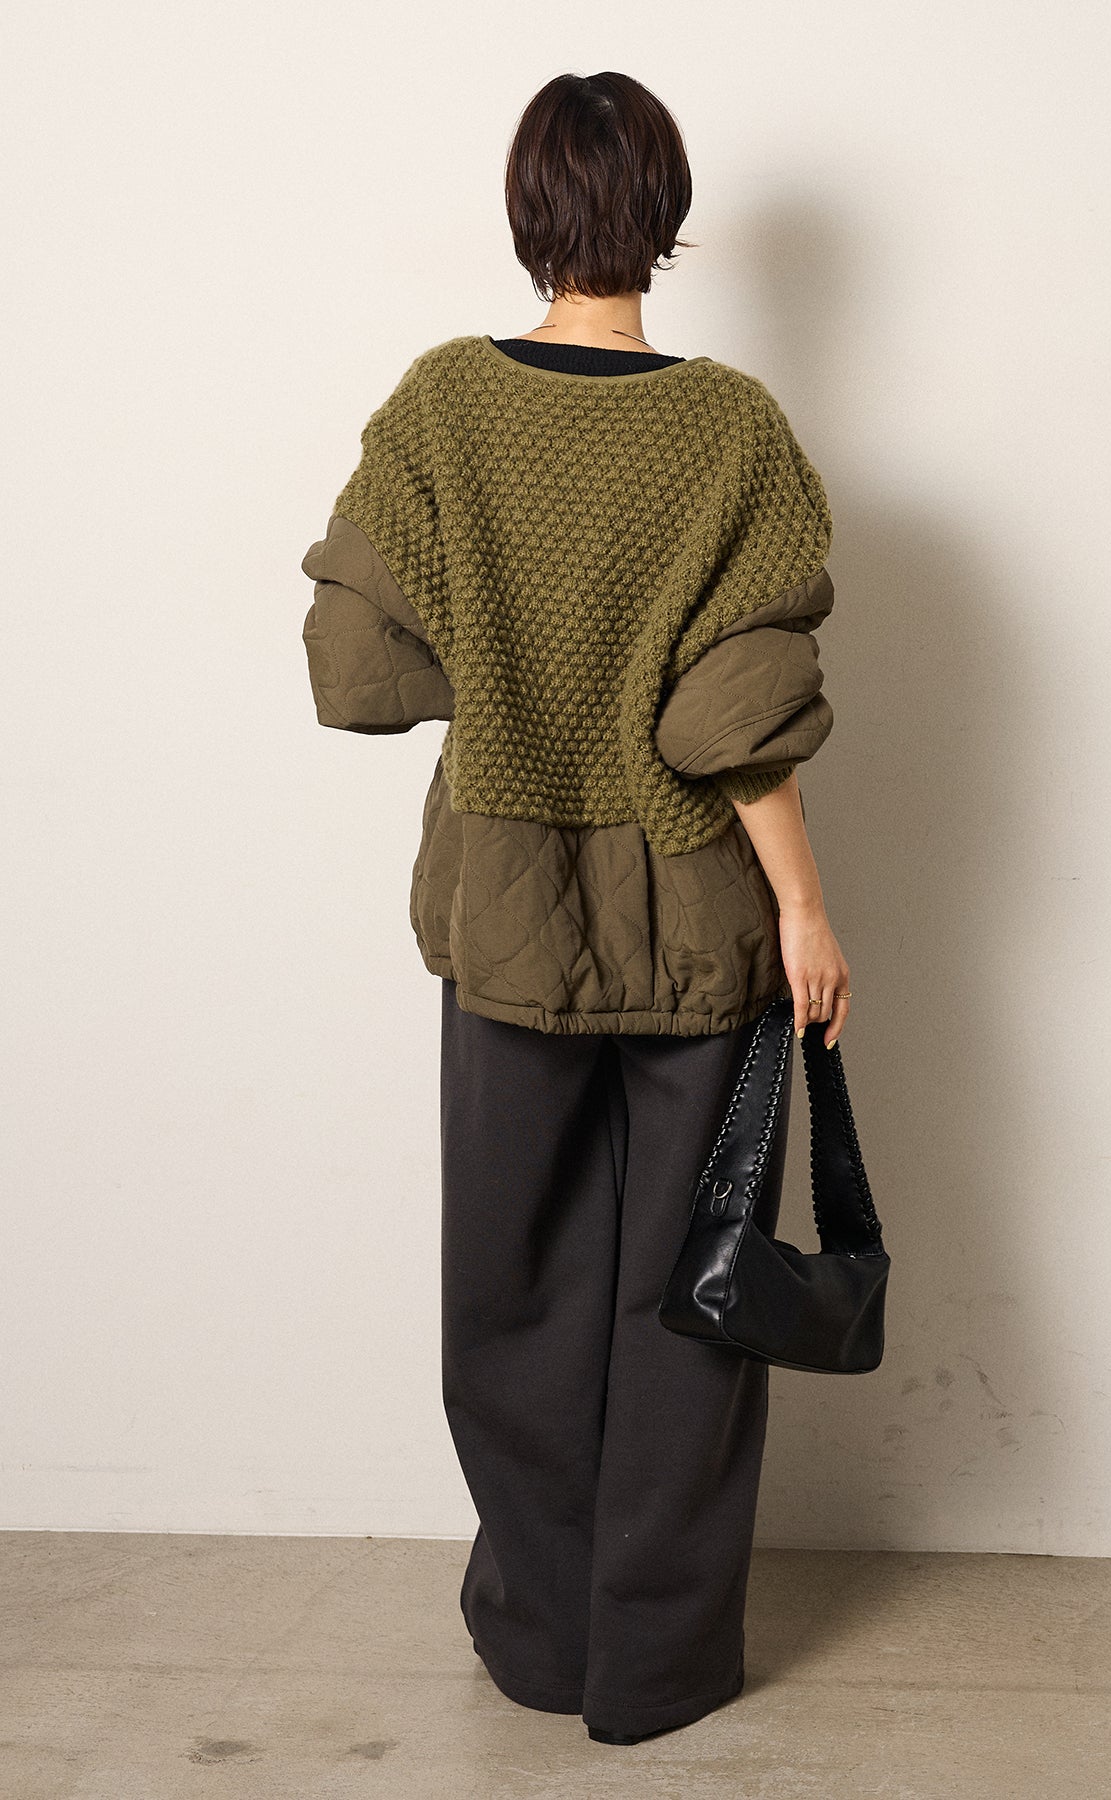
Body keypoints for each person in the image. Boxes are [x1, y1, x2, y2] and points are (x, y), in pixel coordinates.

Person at [300, 69, 852, 1746]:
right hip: (702, 925)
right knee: (693, 1290)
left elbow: (352, 668)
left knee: (512, 1288)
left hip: (509, 917)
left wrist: (509, 669)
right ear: (663, 215)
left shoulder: (442, 408)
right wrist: (806, 914)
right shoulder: (735, 429)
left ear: (528, 208)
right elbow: (727, 722)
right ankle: (656, 1672)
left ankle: (539, 1646)